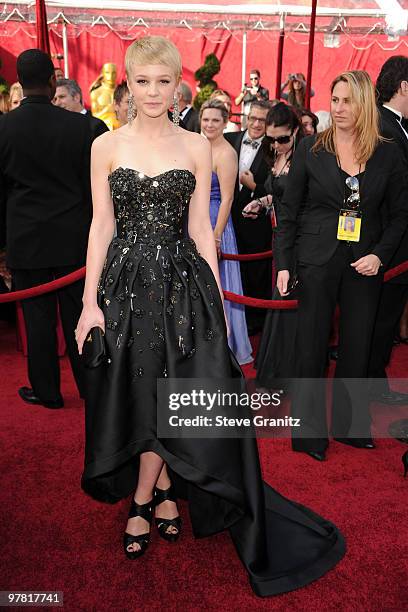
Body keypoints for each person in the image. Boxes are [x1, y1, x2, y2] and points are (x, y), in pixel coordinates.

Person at [75, 35, 345, 597]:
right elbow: (101, 226)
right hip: (124, 287)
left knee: (177, 392)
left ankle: (144, 499)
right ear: (129, 83)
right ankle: (165, 486)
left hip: (182, 286)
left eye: (163, 82)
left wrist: (217, 308)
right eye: (143, 81)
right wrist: (87, 302)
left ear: (180, 86)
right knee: (140, 391)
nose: (153, 93)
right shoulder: (105, 145)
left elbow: (201, 228)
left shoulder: (197, 147)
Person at [275, 70, 408, 462]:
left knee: (357, 345)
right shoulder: (310, 148)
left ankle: (352, 428)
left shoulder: (388, 153)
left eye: (347, 100)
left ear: (365, 103)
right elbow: (289, 210)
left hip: (365, 260)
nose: (339, 108)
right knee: (311, 346)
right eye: (335, 100)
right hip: (316, 259)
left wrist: (381, 254)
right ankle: (309, 432)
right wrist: (284, 263)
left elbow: (401, 215)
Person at [0, 48, 93, 408]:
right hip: (73, 239)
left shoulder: (4, 128)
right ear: (53, 80)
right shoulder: (79, 126)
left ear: (19, 83)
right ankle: (91, 385)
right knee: (80, 314)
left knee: (37, 321)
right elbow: (91, 186)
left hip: (27, 238)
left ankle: (47, 391)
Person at [242, 103, 302, 389]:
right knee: (279, 303)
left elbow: (301, 205)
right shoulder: (277, 155)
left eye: (283, 139)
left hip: (297, 243)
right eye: (271, 139)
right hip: (278, 237)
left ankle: (287, 375)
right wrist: (261, 203)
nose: (276, 145)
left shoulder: (304, 159)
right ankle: (275, 370)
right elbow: (277, 196)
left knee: (289, 304)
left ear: (296, 132)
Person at [200, 98, 252, 364]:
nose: (209, 124)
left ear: (224, 123)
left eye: (215, 120)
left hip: (215, 222)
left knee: (219, 285)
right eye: (206, 119)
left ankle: (224, 345)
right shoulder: (197, 146)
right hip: (193, 221)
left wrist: (216, 235)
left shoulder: (226, 153)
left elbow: (228, 199)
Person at [368, 55, 408, 405]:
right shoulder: (384, 126)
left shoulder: (391, 124)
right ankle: (370, 385)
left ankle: (375, 381)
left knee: (383, 319)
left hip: (392, 242)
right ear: (404, 87)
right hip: (387, 243)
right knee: (379, 319)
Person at [224, 100, 271, 335]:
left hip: (256, 224)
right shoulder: (230, 140)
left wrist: (254, 187)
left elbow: (279, 190)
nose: (255, 124)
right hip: (228, 221)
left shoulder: (274, 147)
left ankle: (255, 322)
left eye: (262, 120)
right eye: (252, 118)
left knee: (256, 274)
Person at [89, 62, 119, 130]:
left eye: (113, 73)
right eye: (107, 72)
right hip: (102, 130)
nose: (110, 76)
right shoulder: (96, 93)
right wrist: (107, 110)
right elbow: (94, 117)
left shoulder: (124, 92)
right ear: (102, 74)